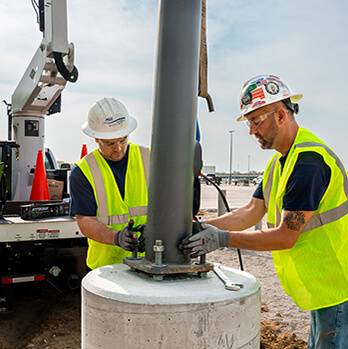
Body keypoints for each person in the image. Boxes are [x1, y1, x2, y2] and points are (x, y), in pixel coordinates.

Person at [181, 75, 348, 348]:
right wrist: (201, 227)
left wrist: (221, 239)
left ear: (280, 115)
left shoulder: (308, 163)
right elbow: (249, 212)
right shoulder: (278, 163)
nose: (251, 131)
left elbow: (285, 236)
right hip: (322, 282)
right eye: (249, 123)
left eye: (256, 121)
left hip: (338, 280)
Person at [69, 97, 150, 270]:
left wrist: (154, 231)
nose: (119, 148)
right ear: (96, 138)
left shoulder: (149, 158)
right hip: (106, 269)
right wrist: (116, 237)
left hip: (149, 262)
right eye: (110, 143)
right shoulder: (83, 172)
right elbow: (85, 221)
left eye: (123, 140)